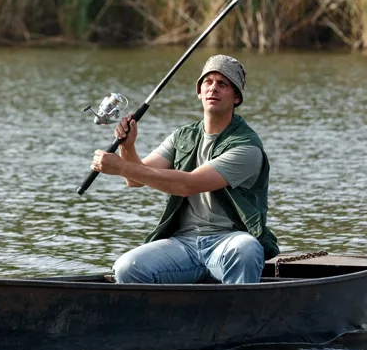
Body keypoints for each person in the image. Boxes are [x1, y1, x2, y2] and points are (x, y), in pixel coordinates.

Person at [89, 54, 279, 284]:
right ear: (199, 91)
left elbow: (187, 185)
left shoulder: (247, 147)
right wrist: (128, 148)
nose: (213, 89)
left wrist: (120, 167)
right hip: (183, 243)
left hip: (228, 241)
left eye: (223, 84)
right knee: (127, 268)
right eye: (207, 82)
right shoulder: (183, 136)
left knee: (246, 249)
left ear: (236, 97)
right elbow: (135, 179)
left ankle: (239, 317)